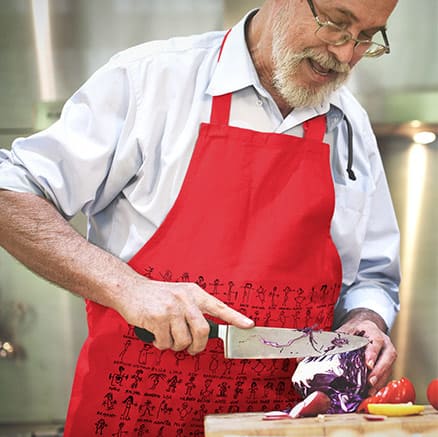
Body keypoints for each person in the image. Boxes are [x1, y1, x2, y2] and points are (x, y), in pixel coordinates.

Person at [0, 0, 400, 435]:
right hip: (137, 417)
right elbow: (10, 191)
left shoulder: (351, 124)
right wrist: (128, 288)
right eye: (336, 25)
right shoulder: (152, 81)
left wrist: (365, 319)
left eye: (367, 37)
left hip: (286, 426)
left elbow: (372, 275)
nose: (346, 54)